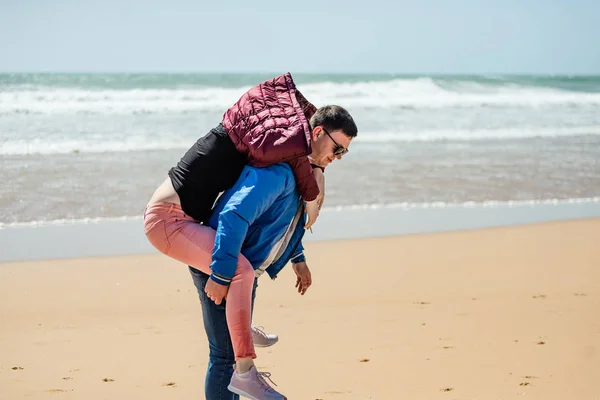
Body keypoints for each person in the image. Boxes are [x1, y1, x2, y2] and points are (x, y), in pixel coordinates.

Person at [144, 105, 357, 399]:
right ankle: (243, 341)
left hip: (234, 262)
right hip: (223, 258)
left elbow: (284, 221)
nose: (338, 157)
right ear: (318, 132)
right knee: (224, 358)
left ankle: (243, 328)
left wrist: (298, 257)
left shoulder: (300, 169)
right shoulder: (280, 171)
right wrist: (220, 273)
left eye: (344, 153)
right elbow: (233, 215)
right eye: (338, 149)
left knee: (228, 356)